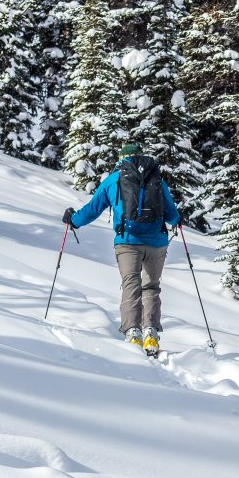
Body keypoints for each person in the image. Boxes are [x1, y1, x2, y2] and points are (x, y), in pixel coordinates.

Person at [63, 142, 181, 354]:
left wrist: (73, 220)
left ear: (122, 159)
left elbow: (93, 209)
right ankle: (151, 335)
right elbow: (172, 215)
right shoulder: (157, 178)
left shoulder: (114, 179)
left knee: (131, 285)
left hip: (127, 241)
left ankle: (133, 332)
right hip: (156, 242)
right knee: (151, 287)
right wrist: (176, 219)